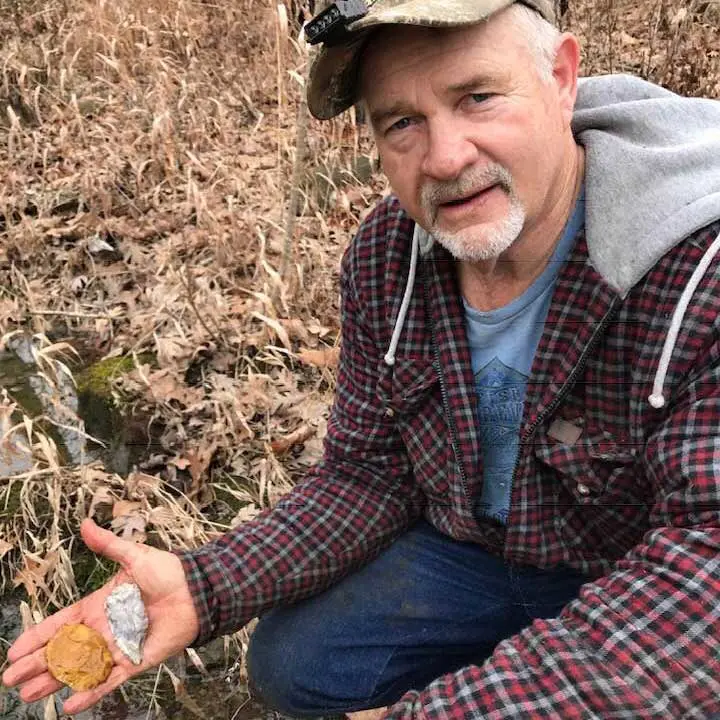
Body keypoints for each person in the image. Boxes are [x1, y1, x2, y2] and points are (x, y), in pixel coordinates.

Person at [4, 0, 720, 717]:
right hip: (482, 553)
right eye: (402, 122)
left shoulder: (699, 267)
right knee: (297, 662)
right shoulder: (388, 257)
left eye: (477, 97)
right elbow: (369, 472)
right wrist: (205, 584)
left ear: (562, 76)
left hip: (632, 570)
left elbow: (702, 583)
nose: (446, 158)